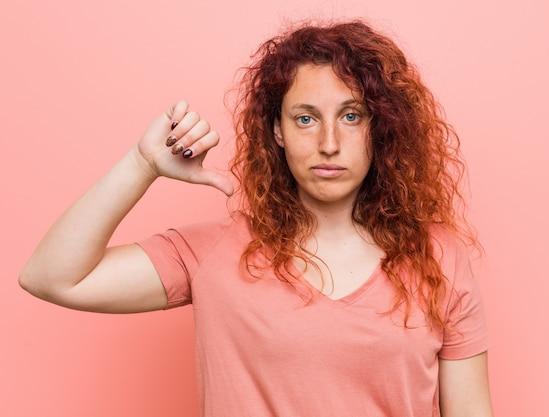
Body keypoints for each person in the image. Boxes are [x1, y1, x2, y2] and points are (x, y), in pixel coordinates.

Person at [18, 18, 494, 417]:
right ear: (278, 131)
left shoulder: (438, 257)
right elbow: (52, 277)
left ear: (381, 127)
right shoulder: (211, 254)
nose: (329, 142)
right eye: (305, 118)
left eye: (351, 116)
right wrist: (142, 166)